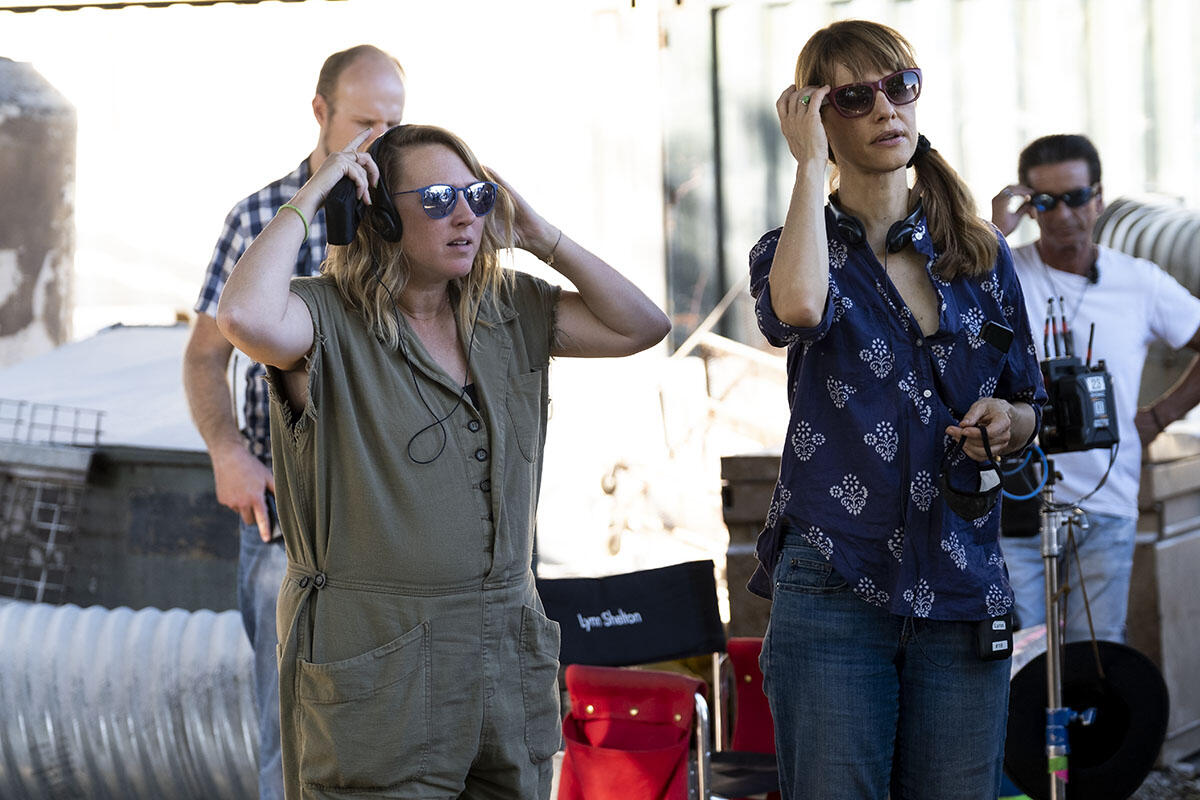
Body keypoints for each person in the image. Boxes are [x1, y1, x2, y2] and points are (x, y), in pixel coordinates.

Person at [216, 122, 670, 798]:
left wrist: (541, 236)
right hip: (378, 664)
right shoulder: (324, 318)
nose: (464, 215)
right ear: (379, 216)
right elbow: (243, 317)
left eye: (476, 195)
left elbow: (642, 325)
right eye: (435, 199)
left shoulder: (509, 307)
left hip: (504, 657)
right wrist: (314, 195)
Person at [746, 19, 1047, 800]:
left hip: (961, 574)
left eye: (899, 87)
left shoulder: (979, 253)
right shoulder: (790, 249)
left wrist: (1005, 422)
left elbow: (1029, 404)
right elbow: (798, 308)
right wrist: (808, 165)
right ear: (817, 116)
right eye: (855, 97)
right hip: (834, 576)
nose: (885, 109)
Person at [182, 44, 406, 800]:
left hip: (389, 516)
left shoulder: (410, 213)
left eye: (393, 123)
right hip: (284, 518)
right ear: (320, 112)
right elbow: (203, 358)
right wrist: (227, 453)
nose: (379, 140)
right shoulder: (256, 216)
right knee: (288, 728)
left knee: (394, 725)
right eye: (365, 122)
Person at [991, 133, 1200, 643]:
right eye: (1047, 201)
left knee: (1096, 655)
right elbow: (942, 306)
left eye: (1077, 197)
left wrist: (1157, 417)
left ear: (1099, 198)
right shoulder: (1001, 272)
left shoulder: (1138, 281)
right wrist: (993, 233)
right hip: (1016, 502)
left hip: (1106, 501)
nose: (1064, 214)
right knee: (1023, 658)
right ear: (1029, 207)